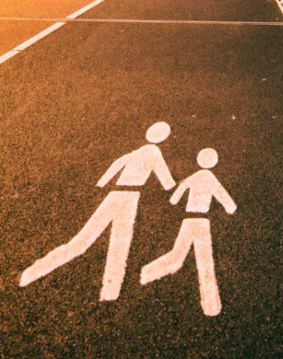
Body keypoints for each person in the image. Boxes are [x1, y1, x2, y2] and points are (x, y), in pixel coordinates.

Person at [20, 121, 175, 300]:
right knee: (119, 243)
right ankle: (110, 291)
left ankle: (32, 273)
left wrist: (102, 182)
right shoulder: (153, 152)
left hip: (115, 194)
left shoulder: (137, 151)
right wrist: (172, 186)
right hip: (129, 197)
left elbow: (118, 163)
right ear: (163, 137)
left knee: (83, 240)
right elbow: (164, 177)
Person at [140, 147, 236, 316]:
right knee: (203, 257)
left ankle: (149, 272)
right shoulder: (209, 177)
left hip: (189, 218)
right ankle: (211, 303)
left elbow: (182, 187)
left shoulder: (196, 176)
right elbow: (221, 193)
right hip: (201, 220)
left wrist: (174, 200)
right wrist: (230, 207)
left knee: (178, 253)